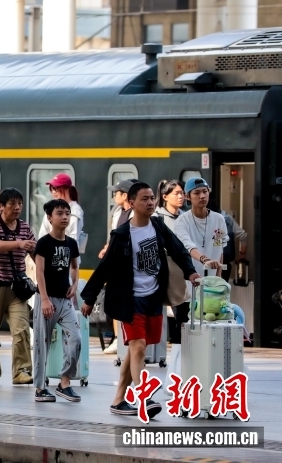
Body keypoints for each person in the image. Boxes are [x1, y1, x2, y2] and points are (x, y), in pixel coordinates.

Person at [81, 182, 200, 418]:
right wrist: (89, 297)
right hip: (129, 300)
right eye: (144, 199)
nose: (149, 202)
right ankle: (144, 399)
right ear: (132, 203)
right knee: (139, 347)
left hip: (153, 298)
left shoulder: (157, 226)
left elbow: (178, 249)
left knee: (136, 351)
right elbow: (105, 268)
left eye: (151, 198)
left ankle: (118, 400)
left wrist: (191, 272)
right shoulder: (123, 234)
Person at [0, 187, 35, 385]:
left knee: (21, 329)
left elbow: (36, 254)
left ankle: (21, 371)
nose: (17, 207)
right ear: (1, 206)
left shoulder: (26, 228)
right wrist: (20, 244)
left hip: (16, 288)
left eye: (19, 203)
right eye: (11, 203)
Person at [32, 199, 81, 403]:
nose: (64, 217)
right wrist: (44, 299)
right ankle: (40, 387)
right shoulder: (43, 243)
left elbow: (75, 267)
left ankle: (64, 382)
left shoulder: (71, 243)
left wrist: (75, 285)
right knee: (41, 344)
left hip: (65, 301)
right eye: (59, 213)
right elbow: (40, 272)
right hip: (46, 299)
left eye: (67, 213)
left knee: (76, 338)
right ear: (50, 218)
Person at [98, 178, 137, 355]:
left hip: (128, 265)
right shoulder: (116, 212)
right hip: (115, 263)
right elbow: (113, 236)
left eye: (117, 192)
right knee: (114, 299)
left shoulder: (135, 214)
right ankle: (116, 337)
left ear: (126, 195)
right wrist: (107, 248)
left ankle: (126, 337)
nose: (114, 195)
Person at [155, 179, 187, 343]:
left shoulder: (186, 217)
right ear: (165, 196)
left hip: (180, 268)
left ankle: (178, 340)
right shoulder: (157, 217)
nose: (181, 197)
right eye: (177, 193)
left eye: (182, 193)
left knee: (182, 308)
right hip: (162, 267)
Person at [37, 174, 84, 251]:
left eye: (56, 188)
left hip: (67, 257)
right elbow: (42, 235)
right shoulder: (50, 208)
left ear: (67, 189)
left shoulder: (75, 210)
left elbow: (73, 238)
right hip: (48, 255)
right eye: (52, 189)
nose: (53, 192)